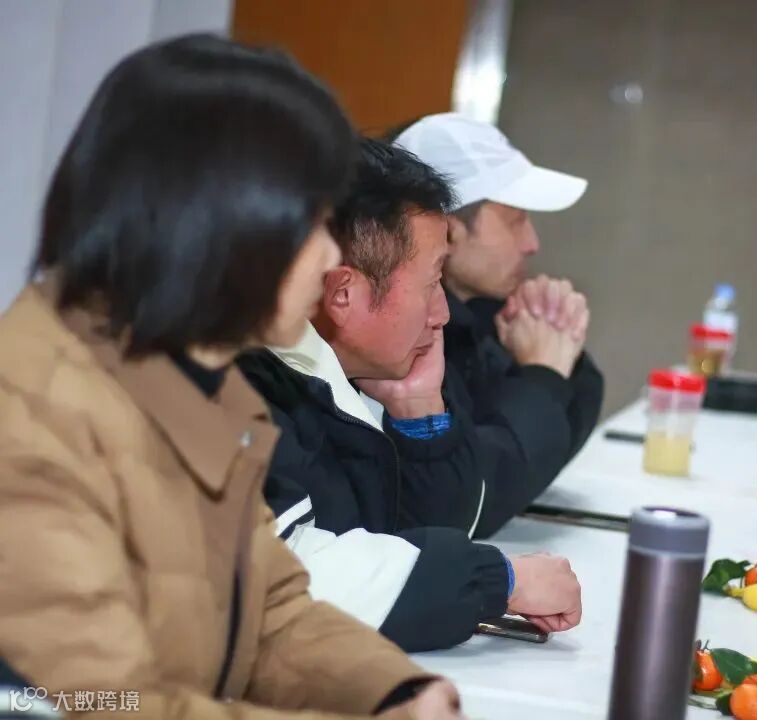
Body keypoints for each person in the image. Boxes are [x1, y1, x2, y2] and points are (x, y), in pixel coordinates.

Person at [0, 35, 460, 719]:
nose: (330, 257)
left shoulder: (201, 382)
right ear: (223, 222)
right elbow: (101, 705)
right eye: (314, 224)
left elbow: (269, 612)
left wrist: (395, 691)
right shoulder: (32, 419)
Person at [238, 137, 582, 652]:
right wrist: (499, 579)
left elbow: (410, 535)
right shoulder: (240, 384)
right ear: (342, 293)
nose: (441, 313)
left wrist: (419, 412)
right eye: (432, 281)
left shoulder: (342, 374)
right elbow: (283, 578)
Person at [391, 113, 604, 499]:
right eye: (515, 220)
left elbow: (535, 465)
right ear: (448, 231)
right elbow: (475, 495)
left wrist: (557, 337)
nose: (532, 243)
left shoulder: (483, 316)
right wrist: (544, 375)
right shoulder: (402, 338)